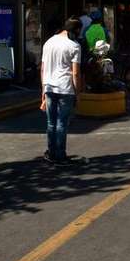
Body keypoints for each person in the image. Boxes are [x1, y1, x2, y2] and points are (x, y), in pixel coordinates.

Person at [40, 17, 82, 165]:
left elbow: (43, 69)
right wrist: (77, 93)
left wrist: (43, 91)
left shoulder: (49, 42)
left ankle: (51, 153)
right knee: (62, 123)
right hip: (66, 88)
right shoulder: (74, 46)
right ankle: (60, 155)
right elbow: (75, 73)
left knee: (51, 123)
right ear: (75, 30)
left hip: (50, 87)